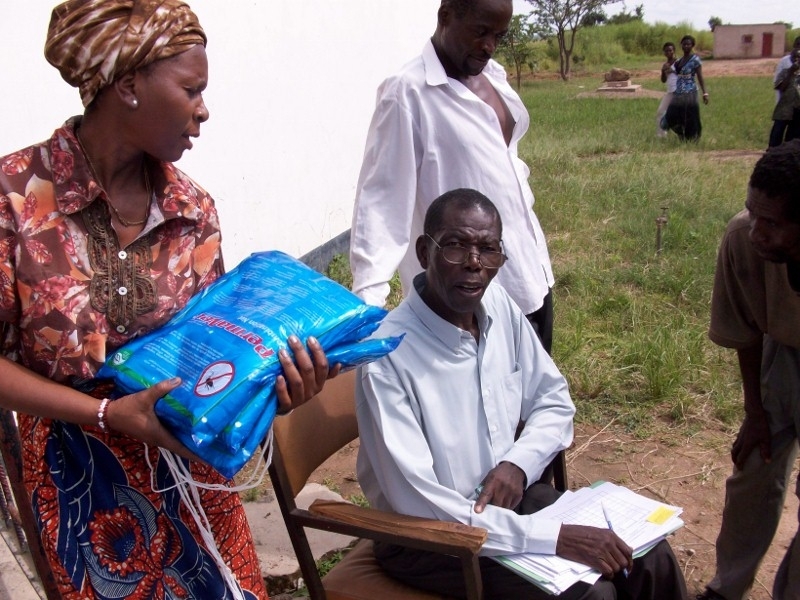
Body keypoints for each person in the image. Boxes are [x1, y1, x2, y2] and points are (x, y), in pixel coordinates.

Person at [0, 2, 334, 598]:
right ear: (129, 85)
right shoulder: (17, 201)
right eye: (191, 89)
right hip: (80, 492)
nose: (203, 110)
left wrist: (274, 389)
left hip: (193, 479)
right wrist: (106, 414)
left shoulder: (192, 210)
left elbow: (218, 352)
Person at [355, 188, 689, 600]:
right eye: (456, 246)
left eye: (488, 249)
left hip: (506, 500)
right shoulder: (388, 356)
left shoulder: (495, 303)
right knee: (593, 595)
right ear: (425, 252)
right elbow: (421, 501)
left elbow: (553, 398)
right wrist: (553, 537)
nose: (475, 263)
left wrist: (517, 464)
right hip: (430, 537)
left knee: (649, 557)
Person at [349, 0, 556, 353]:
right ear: (445, 16)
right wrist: (367, 313)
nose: (489, 46)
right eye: (481, 32)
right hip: (469, 299)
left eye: (498, 36)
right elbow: (381, 205)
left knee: (536, 384)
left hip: (529, 274)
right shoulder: (407, 93)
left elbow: (502, 165)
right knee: (484, 388)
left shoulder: (493, 77)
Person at [697, 140, 800, 600]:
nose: (757, 231)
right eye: (752, 213)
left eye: (772, 223)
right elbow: (745, 331)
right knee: (753, 472)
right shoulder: (743, 238)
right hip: (782, 354)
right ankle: (726, 588)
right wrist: (755, 412)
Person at [664, 35, 708, 141]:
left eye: (688, 44)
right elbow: (677, 73)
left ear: (692, 45)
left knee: (690, 117)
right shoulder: (679, 61)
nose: (686, 46)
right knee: (670, 116)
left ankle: (692, 139)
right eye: (684, 44)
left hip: (690, 92)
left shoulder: (695, 60)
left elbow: (700, 76)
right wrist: (668, 70)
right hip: (678, 92)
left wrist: (705, 93)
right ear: (681, 45)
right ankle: (681, 134)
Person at [768, 39, 800, 148]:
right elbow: (779, 87)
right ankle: (773, 153)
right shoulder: (785, 66)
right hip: (783, 106)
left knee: (793, 137)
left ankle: (788, 154)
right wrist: (791, 72)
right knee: (777, 132)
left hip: (797, 109)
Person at [657, 42, 677, 138]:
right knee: (660, 111)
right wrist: (663, 70)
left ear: (674, 51)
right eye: (666, 51)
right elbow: (663, 80)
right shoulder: (665, 64)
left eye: (670, 50)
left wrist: (672, 70)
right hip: (670, 92)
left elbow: (684, 74)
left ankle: (684, 135)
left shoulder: (679, 62)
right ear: (664, 53)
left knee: (679, 114)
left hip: (679, 91)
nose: (668, 52)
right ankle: (661, 135)